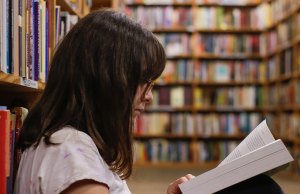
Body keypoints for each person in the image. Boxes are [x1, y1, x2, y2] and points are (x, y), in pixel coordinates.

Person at [14, 9, 194, 194]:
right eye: (142, 81)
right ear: (107, 79)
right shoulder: (72, 155)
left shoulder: (63, 142)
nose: (149, 96)